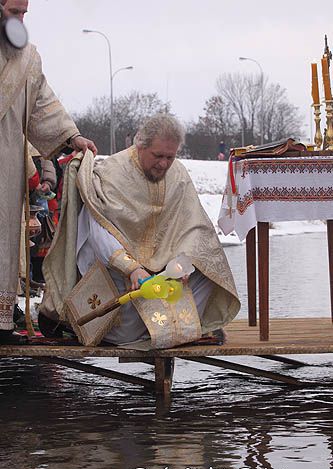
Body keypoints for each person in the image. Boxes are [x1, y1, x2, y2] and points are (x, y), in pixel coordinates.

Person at [40, 114, 240, 349]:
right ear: (140, 145)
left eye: (170, 157)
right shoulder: (111, 173)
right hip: (119, 266)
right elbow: (98, 230)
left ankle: (174, 327)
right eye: (158, 156)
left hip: (165, 267)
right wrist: (132, 268)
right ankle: (118, 327)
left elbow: (194, 227)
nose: (164, 164)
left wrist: (183, 262)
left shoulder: (178, 175)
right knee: (122, 331)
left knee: (210, 263)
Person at [0, 0, 97, 345]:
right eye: (15, 11)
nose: (21, 20)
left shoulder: (27, 58)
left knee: (3, 239)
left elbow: (42, 103)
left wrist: (71, 136)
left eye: (25, 13)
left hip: (6, 163)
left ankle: (2, 321)